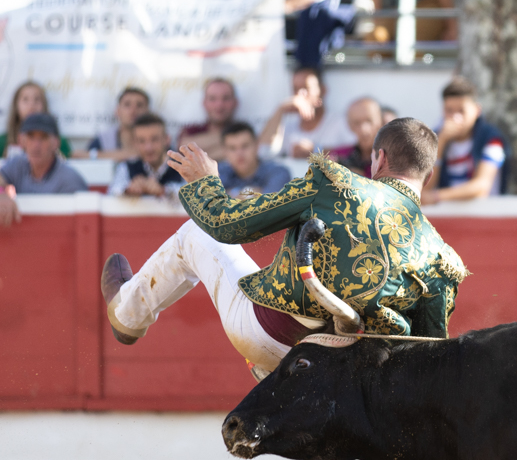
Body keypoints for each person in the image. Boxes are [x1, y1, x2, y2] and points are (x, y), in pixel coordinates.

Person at [100, 117, 466, 376]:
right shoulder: (442, 259)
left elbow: (225, 224)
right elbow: (427, 360)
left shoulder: (335, 184)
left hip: (268, 335)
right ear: (428, 175)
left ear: (379, 159)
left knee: (195, 234)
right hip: (345, 376)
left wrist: (207, 182)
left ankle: (127, 315)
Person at [425, 76, 508, 204]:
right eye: (449, 110)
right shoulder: (435, 137)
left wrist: (436, 196)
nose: (455, 117)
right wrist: (440, 143)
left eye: (461, 111)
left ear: (477, 110)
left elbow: (481, 187)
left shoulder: (491, 139)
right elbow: (425, 186)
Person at [0, 114, 88, 227]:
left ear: (56, 143)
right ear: (22, 141)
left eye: (44, 137)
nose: (36, 145)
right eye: (31, 136)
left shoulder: (69, 180)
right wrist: (1, 194)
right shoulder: (19, 164)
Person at [259, 67, 354, 159]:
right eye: (295, 89)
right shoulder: (289, 126)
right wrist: (280, 109)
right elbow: (263, 153)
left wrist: (316, 150)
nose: (300, 94)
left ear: (323, 90)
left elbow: (357, 153)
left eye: (306, 88)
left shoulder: (339, 122)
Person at [108, 114, 184, 198]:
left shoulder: (182, 168)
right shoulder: (126, 167)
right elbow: (112, 194)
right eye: (141, 141)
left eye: (154, 139)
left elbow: (194, 197)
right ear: (135, 143)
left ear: (167, 139)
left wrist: (163, 191)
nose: (148, 147)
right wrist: (128, 190)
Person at [0, 81, 71, 159]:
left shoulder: (59, 141)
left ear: (44, 104)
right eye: (25, 99)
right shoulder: (2, 141)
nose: (31, 105)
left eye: (37, 99)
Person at [217, 123, 293, 196]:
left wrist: (229, 194)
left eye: (245, 146)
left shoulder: (278, 172)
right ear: (224, 152)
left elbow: (271, 203)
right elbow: (210, 202)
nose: (239, 153)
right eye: (232, 148)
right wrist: (255, 193)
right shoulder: (218, 173)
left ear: (257, 146)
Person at [176, 78, 239, 163]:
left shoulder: (243, 128)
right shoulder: (191, 130)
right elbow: (183, 148)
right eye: (212, 99)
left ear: (235, 102)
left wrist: (200, 151)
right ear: (204, 103)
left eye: (226, 98)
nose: (219, 104)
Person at [81, 87, 150, 161]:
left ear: (148, 111)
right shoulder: (103, 139)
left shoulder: (158, 139)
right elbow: (80, 157)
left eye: (139, 105)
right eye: (127, 105)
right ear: (117, 111)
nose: (133, 110)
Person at [330, 97, 384, 177]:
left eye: (369, 120)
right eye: (357, 123)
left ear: (381, 121)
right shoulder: (339, 156)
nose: (364, 129)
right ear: (349, 125)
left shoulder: (391, 160)